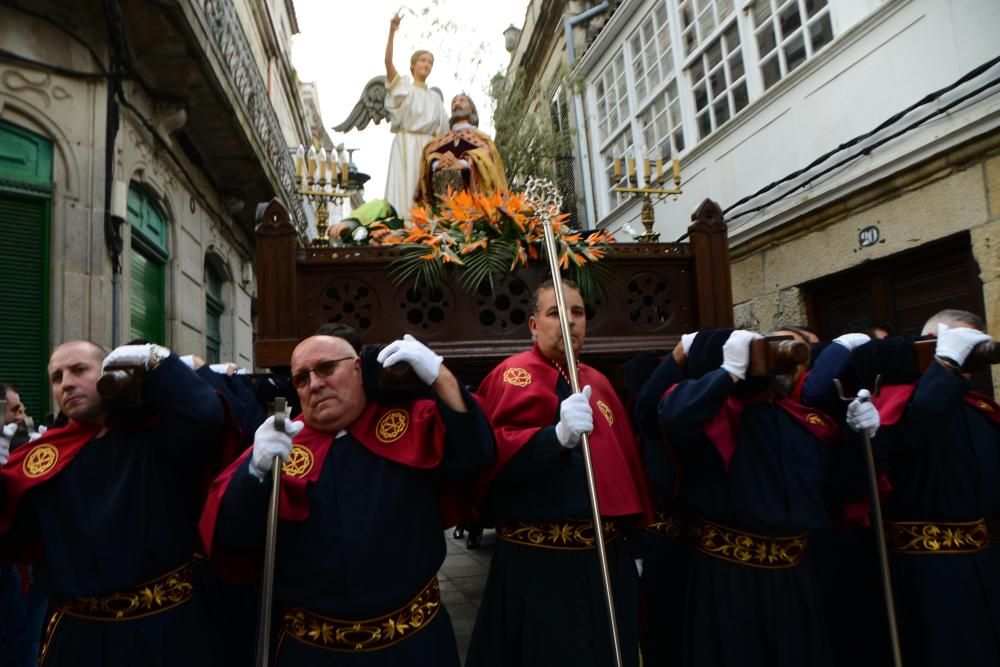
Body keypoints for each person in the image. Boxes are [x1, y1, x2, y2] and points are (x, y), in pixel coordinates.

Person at [200, 333, 494, 665]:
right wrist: (253, 474)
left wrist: (438, 375)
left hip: (413, 645)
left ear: (358, 368)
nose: (314, 384)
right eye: (301, 378)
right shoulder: (279, 446)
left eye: (326, 368)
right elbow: (232, 536)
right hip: (314, 652)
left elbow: (476, 455)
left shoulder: (413, 421)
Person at [657, 328, 879, 667]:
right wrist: (727, 373)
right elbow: (672, 416)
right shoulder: (716, 414)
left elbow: (841, 492)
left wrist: (859, 439)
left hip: (794, 580)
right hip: (730, 580)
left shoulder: (807, 423)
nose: (786, 366)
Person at [0, 341, 229, 666]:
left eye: (79, 370)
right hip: (80, 638)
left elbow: (205, 414)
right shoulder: (41, 456)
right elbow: (11, 532)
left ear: (108, 373)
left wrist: (160, 362)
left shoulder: (155, 435)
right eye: (56, 377)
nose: (66, 383)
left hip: (165, 628)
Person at [466, 279, 653, 667]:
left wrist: (635, 547)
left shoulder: (599, 383)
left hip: (604, 558)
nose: (569, 321)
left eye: (578, 312)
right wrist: (555, 437)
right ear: (533, 325)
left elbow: (627, 469)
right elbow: (490, 461)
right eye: (555, 313)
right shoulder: (510, 375)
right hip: (539, 564)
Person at [861, 309, 1000, 667]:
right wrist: (943, 368)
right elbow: (913, 438)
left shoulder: (983, 409)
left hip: (983, 562)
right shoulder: (901, 402)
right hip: (922, 568)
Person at [382, 12, 449, 218]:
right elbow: (387, 62)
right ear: (413, 65)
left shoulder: (436, 100)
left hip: (428, 150)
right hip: (406, 145)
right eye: (422, 60)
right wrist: (392, 31)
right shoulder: (404, 88)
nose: (426, 65)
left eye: (430, 62)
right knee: (405, 191)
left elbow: (444, 134)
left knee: (425, 195)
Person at [414, 94, 508, 207]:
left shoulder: (482, 140)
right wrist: (437, 163)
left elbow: (489, 161)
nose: (457, 103)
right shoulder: (438, 141)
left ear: (472, 110)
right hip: (440, 209)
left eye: (462, 101)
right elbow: (427, 158)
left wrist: (463, 163)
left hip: (474, 210)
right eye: (454, 102)